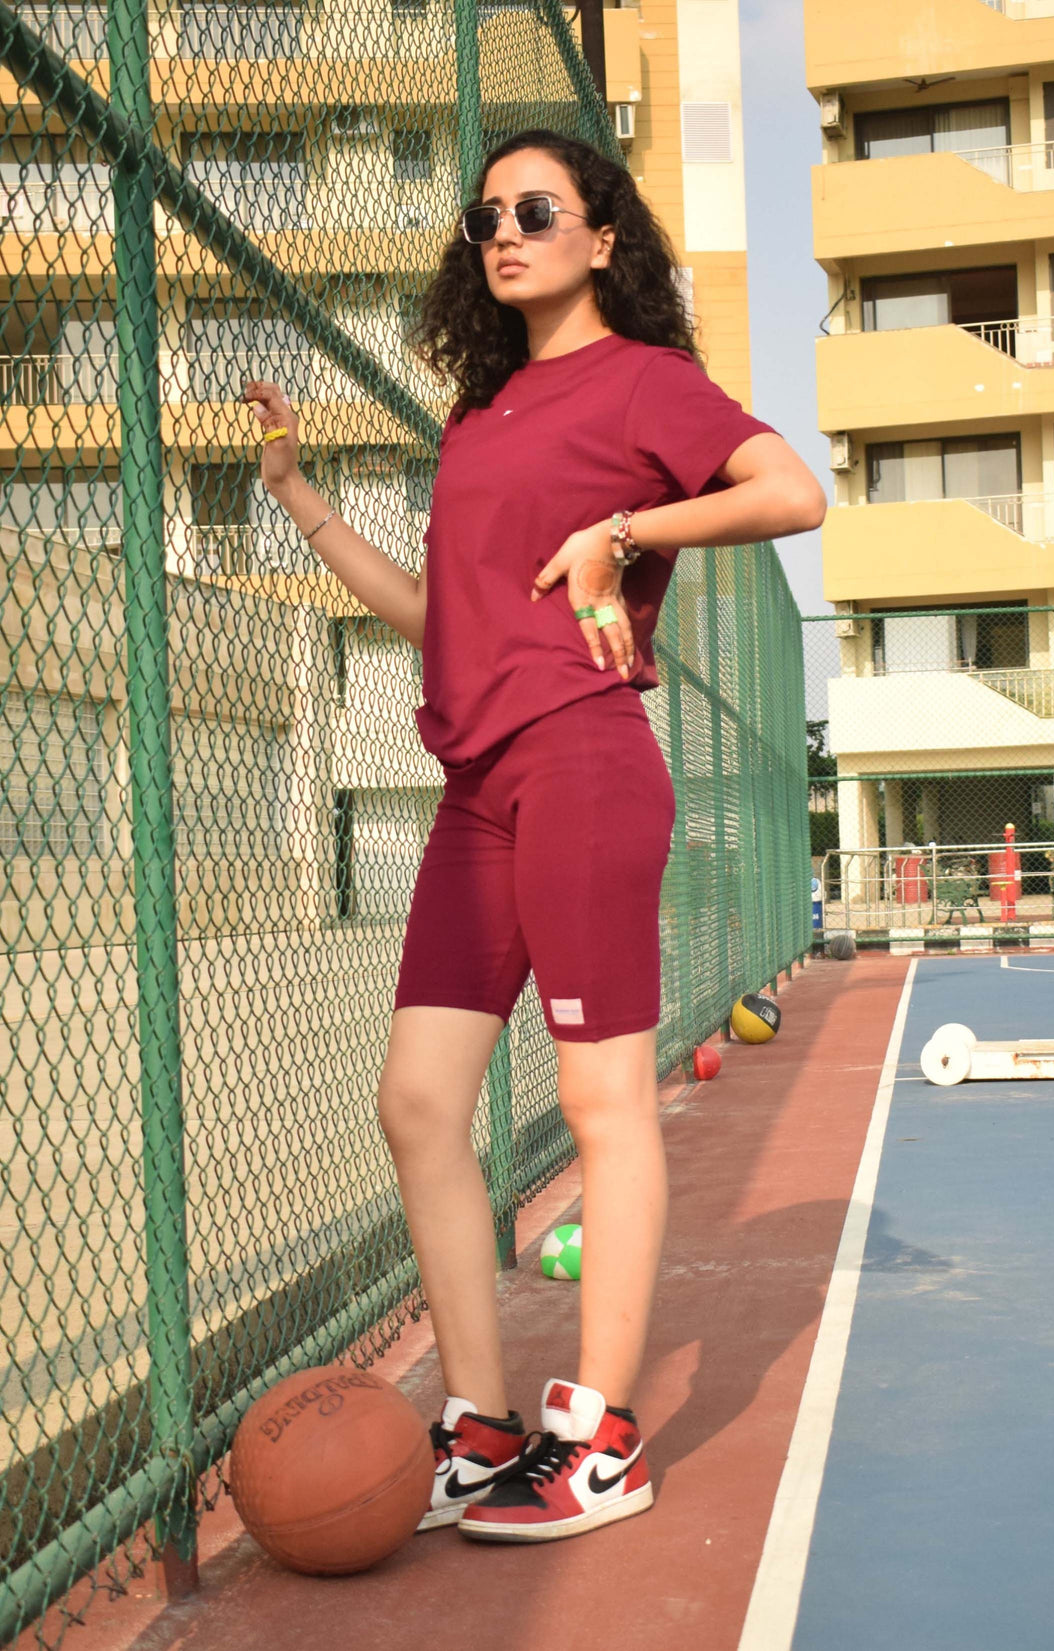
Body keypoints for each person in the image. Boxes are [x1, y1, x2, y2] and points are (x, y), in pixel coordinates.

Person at [245, 127, 825, 1546]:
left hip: (583, 763)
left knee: (600, 1099)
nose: (505, 230)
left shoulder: (646, 381)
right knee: (419, 1103)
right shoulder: (481, 416)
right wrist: (301, 499)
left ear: (603, 237)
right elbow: (443, 619)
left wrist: (625, 533)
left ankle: (603, 1440)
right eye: (487, 214)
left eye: (538, 209)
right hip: (477, 789)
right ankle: (483, 1425)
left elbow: (793, 491)